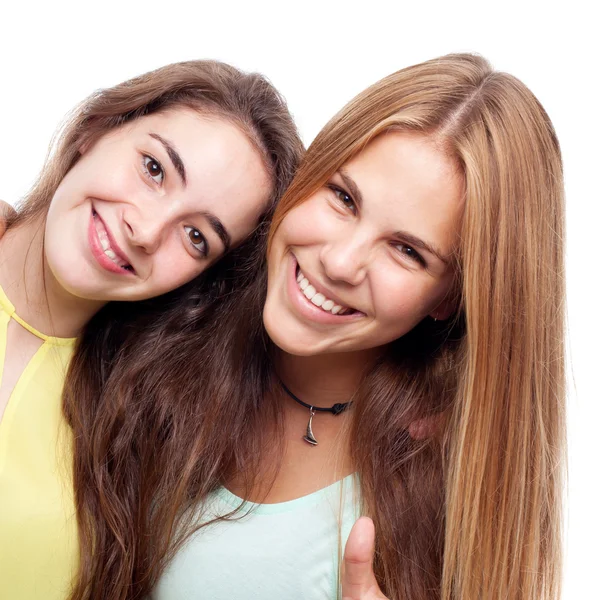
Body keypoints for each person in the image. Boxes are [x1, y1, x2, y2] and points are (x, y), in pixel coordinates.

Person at [67, 53, 565, 600]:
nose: (340, 262)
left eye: (406, 251)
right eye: (344, 198)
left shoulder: (438, 492)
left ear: (449, 300)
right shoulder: (185, 291)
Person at [0, 60, 303, 599]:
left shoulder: (138, 435)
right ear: (97, 129)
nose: (144, 230)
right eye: (155, 169)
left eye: (195, 236)